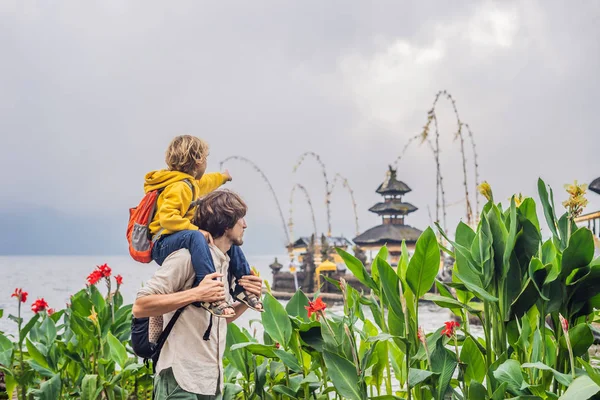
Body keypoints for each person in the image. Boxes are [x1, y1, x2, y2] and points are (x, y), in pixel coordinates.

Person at [133, 189, 263, 399]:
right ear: (226, 223)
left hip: (211, 382)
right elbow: (141, 306)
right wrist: (197, 293)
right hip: (179, 381)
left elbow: (220, 320)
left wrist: (246, 301)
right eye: (241, 219)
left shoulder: (226, 263)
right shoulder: (185, 258)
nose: (245, 225)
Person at [145, 135, 263, 316]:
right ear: (198, 160)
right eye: (206, 158)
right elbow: (167, 219)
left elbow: (207, 182)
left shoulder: (190, 184)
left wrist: (223, 178)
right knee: (197, 236)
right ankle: (210, 291)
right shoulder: (179, 187)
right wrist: (195, 229)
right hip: (163, 242)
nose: (207, 162)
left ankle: (243, 286)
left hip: (178, 237)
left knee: (227, 239)